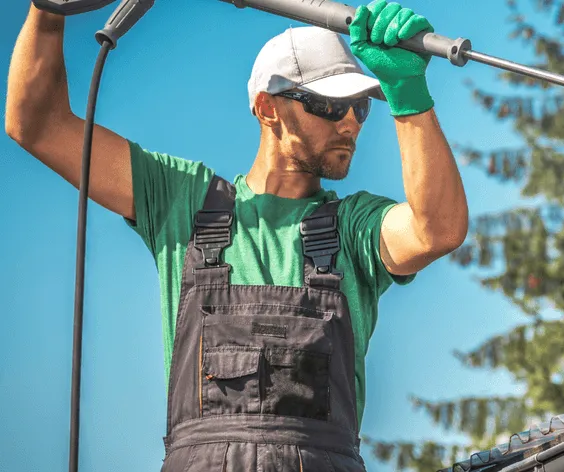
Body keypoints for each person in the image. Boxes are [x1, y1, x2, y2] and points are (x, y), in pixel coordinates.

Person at [5, 0, 468, 470]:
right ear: (268, 108)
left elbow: (437, 230)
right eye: (329, 104)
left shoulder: (354, 228)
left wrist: (408, 93)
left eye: (360, 107)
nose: (349, 122)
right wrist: (49, 10)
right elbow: (37, 125)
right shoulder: (182, 201)